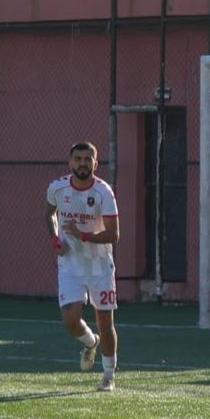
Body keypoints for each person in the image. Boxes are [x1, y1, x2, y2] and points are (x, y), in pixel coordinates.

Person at [46, 142, 121, 392]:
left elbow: (114, 234)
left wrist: (83, 235)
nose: (82, 163)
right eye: (78, 159)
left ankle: (108, 377)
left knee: (105, 321)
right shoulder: (57, 188)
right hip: (70, 264)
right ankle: (91, 343)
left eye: (88, 159)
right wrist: (56, 238)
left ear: (95, 164)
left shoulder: (104, 193)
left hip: (99, 266)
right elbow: (49, 214)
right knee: (70, 320)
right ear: (70, 162)